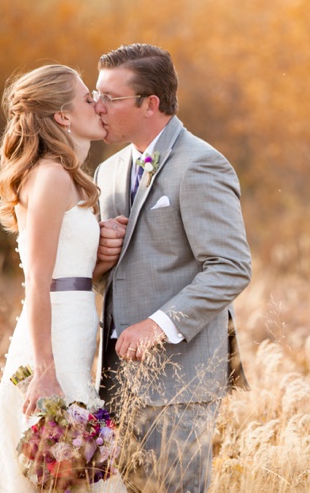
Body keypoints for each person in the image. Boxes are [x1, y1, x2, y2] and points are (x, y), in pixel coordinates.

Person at [93, 43, 252, 493]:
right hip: (113, 381)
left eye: (110, 97)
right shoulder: (108, 171)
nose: (97, 105)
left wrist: (157, 326)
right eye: (95, 93)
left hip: (179, 383)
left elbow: (231, 267)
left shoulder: (201, 164)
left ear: (150, 104)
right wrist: (100, 260)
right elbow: (117, 271)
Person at [0, 64, 127, 492]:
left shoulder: (69, 176)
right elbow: (39, 282)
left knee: (71, 468)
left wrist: (99, 255)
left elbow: (68, 274)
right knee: (58, 468)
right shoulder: (52, 176)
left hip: (72, 334)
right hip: (50, 344)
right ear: (62, 116)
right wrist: (44, 370)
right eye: (85, 97)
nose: (96, 103)